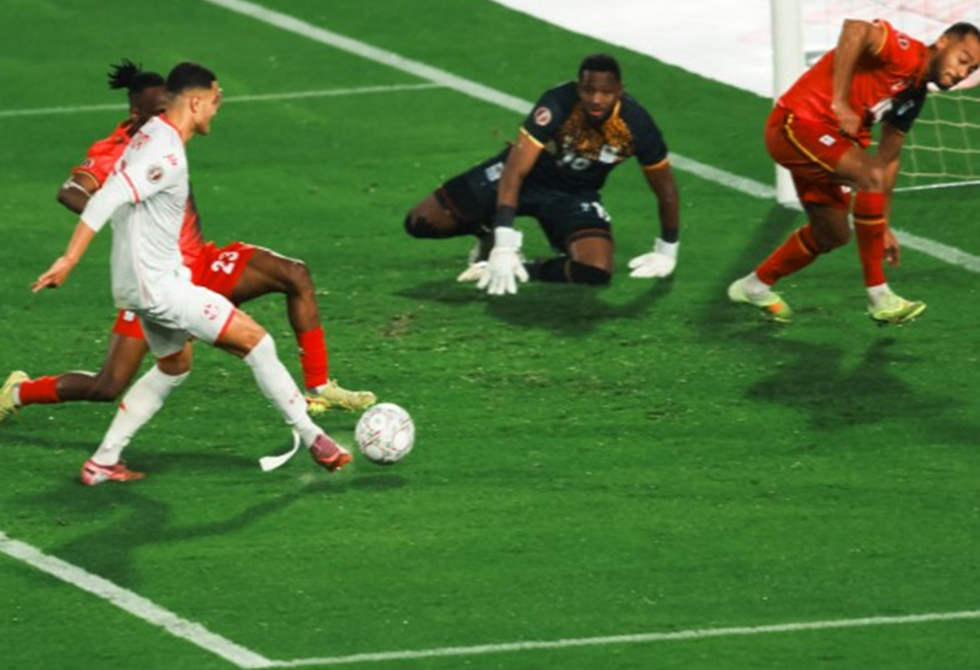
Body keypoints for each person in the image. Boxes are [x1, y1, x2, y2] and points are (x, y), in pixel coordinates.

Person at [0, 60, 375, 428]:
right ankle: (18, 392)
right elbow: (71, 191)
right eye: (157, 110)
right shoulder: (118, 148)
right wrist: (122, 219)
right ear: (135, 113)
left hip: (201, 264)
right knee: (107, 385)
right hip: (155, 282)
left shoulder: (167, 136)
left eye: (168, 105)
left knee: (294, 274)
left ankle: (319, 386)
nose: (167, 115)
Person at [728, 20, 980, 324]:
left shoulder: (914, 96)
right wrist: (840, 101)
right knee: (868, 175)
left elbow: (889, 159)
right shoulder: (903, 51)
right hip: (797, 123)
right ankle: (879, 296)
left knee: (832, 233)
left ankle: (753, 287)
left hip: (827, 145)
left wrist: (882, 225)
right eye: (962, 59)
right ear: (942, 41)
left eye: (971, 70)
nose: (962, 72)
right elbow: (855, 29)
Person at [404, 53, 681, 295]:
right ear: (578, 87)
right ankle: (487, 232)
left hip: (573, 196)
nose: (596, 99)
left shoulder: (637, 125)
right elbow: (515, 171)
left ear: (620, 90)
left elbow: (666, 191)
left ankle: (521, 269)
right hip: (526, 180)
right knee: (421, 222)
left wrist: (667, 250)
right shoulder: (558, 103)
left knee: (595, 270)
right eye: (588, 90)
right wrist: (504, 242)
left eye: (605, 92)